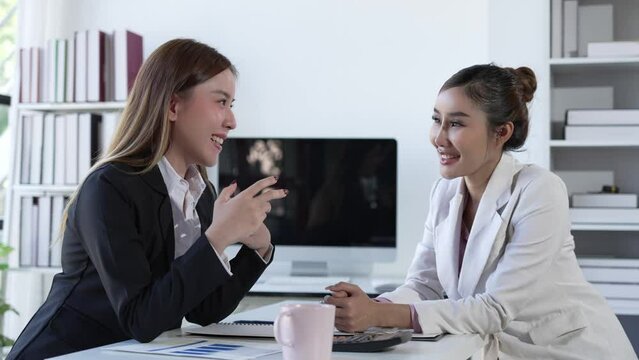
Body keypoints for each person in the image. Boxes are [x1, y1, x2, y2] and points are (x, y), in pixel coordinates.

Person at [325, 64, 636, 359]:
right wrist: (367, 306)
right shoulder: (444, 191)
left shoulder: (540, 190)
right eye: (437, 120)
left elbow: (496, 308)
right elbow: (424, 284)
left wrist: (379, 315)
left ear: (501, 132)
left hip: (569, 351)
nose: (439, 138)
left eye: (456, 123)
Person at [7, 39, 288, 360]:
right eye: (221, 102)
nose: (231, 121)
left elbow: (204, 308)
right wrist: (219, 236)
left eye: (231, 104)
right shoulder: (109, 187)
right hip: (65, 353)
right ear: (172, 106)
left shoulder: (200, 194)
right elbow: (140, 318)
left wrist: (258, 247)